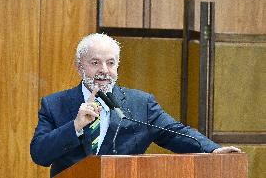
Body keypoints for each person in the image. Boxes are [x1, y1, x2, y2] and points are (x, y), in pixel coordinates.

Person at [30, 33, 241, 177]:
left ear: (117, 66)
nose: (104, 70)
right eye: (95, 63)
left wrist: (213, 150)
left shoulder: (141, 104)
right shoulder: (54, 104)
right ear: (79, 66)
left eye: (110, 63)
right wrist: (75, 126)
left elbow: (176, 133)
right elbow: (39, 154)